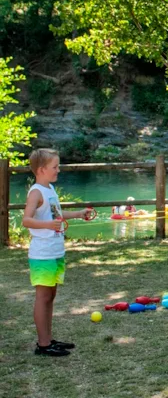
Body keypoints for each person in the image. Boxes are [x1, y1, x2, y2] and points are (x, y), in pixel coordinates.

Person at [22, 148, 94, 356]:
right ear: (42, 169)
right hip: (42, 253)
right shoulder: (36, 192)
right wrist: (48, 225)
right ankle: (43, 345)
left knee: (50, 296)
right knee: (43, 297)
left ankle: (48, 339)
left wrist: (79, 214)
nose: (58, 170)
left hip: (55, 251)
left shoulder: (50, 189)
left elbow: (58, 215)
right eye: (55, 167)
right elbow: (26, 220)